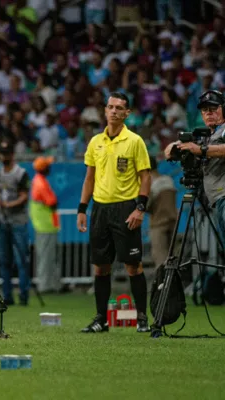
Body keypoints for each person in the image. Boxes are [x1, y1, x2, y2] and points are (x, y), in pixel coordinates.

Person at [77, 92, 152, 333]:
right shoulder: (95, 141)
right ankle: (101, 319)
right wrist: (82, 209)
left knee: (133, 265)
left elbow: (145, 176)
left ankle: (142, 318)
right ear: (105, 110)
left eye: (119, 108)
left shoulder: (135, 141)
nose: (114, 111)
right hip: (100, 209)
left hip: (125, 208)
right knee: (100, 266)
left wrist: (140, 208)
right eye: (110, 107)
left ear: (127, 113)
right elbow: (89, 177)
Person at [165, 90, 225, 246]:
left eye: (213, 108)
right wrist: (175, 147)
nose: (209, 113)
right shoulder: (206, 135)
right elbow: (168, 152)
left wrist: (200, 150)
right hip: (217, 199)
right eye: (205, 110)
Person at [0, 140, 31, 305]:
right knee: (4, 260)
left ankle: (23, 295)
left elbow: (24, 196)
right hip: (2, 220)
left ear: (12, 155)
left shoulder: (20, 173)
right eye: (2, 154)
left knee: (22, 259)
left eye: (6, 154)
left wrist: (8, 205)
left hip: (18, 220)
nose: (4, 157)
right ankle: (7, 296)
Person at [29, 156, 62, 293]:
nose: (50, 167)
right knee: (45, 257)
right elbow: (52, 202)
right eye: (48, 165)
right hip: (45, 225)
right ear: (44, 169)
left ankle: (52, 285)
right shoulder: (40, 183)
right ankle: (45, 286)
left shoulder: (39, 181)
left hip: (46, 225)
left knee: (48, 256)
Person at [147, 156, 177, 269]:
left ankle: (162, 285)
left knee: (160, 258)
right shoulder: (168, 180)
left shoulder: (151, 183)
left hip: (158, 224)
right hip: (173, 222)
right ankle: (173, 284)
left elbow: (146, 206)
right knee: (172, 258)